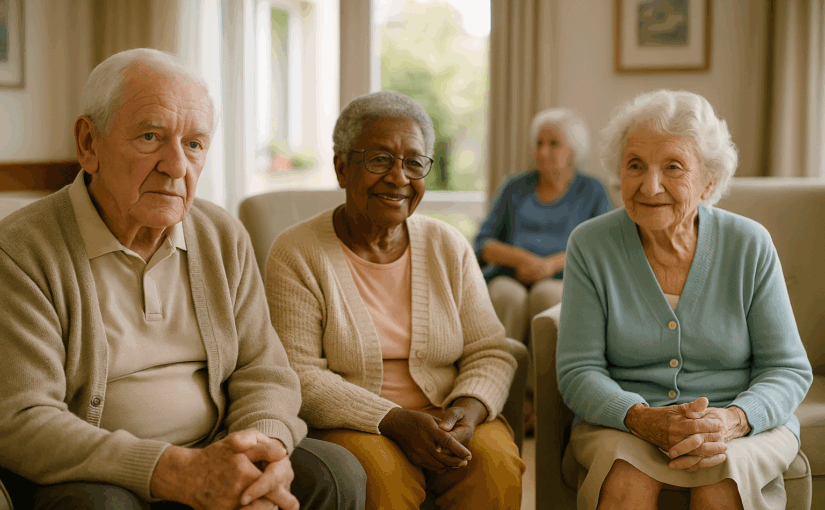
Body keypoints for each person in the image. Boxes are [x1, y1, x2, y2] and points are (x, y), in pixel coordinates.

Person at [0, 48, 365, 510]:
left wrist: (257, 453)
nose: (176, 166)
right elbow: (22, 418)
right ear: (89, 144)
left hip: (217, 445)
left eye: (194, 144)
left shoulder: (221, 235)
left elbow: (263, 370)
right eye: (150, 136)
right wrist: (175, 471)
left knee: (336, 473)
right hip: (98, 472)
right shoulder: (21, 250)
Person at [265, 91, 526, 510]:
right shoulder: (297, 252)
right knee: (382, 476)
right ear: (342, 168)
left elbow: (490, 349)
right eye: (379, 160)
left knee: (494, 465)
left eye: (414, 162)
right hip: (353, 421)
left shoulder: (448, 245)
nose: (399, 177)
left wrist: (468, 408)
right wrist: (394, 420)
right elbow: (298, 374)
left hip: (445, 413)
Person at [555, 89, 813, 510]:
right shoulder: (590, 245)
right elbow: (578, 370)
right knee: (627, 483)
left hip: (739, 422)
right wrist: (640, 418)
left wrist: (733, 420)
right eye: (635, 165)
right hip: (625, 423)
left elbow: (787, 368)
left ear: (709, 181)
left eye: (673, 167)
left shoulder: (749, 244)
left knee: (720, 487)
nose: (650, 185)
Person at [475, 108, 612, 434]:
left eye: (553, 143)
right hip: (510, 275)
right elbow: (483, 242)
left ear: (573, 150)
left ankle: (542, 402)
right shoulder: (514, 187)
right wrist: (521, 259)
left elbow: (602, 246)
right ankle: (501, 397)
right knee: (506, 298)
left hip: (564, 276)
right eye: (539, 143)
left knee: (547, 298)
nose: (543, 151)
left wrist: (548, 265)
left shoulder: (592, 191)